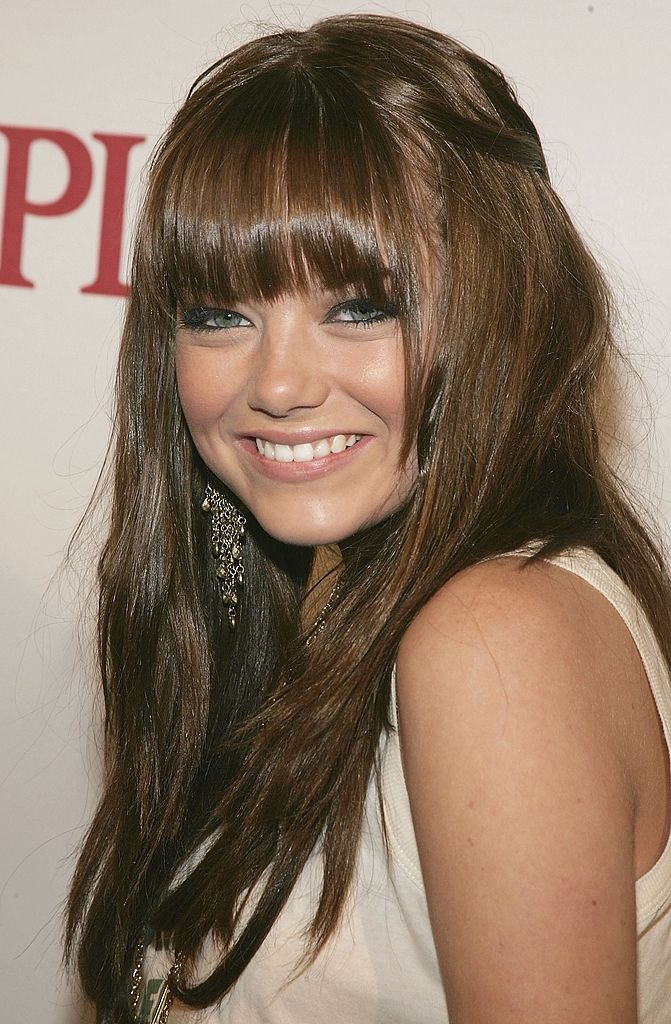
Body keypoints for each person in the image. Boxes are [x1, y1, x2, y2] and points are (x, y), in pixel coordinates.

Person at [65, 13, 671, 1023]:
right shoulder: (365, 597)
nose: (278, 382)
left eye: (359, 306)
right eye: (219, 312)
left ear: (498, 304)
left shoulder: (491, 635)